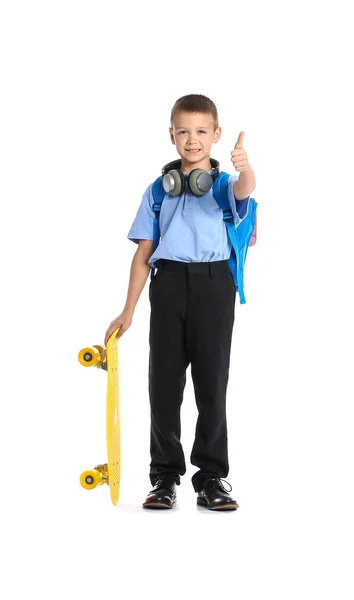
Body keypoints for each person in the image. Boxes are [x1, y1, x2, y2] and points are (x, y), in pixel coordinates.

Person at [104, 94, 256, 511]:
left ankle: (211, 480)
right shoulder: (159, 190)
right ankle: (164, 477)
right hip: (168, 283)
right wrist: (128, 309)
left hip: (214, 286)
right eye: (184, 131)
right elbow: (142, 254)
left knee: (212, 383)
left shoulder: (224, 186)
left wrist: (245, 167)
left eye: (202, 131)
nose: (193, 139)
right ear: (171, 135)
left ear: (216, 135)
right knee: (164, 384)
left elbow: (245, 191)